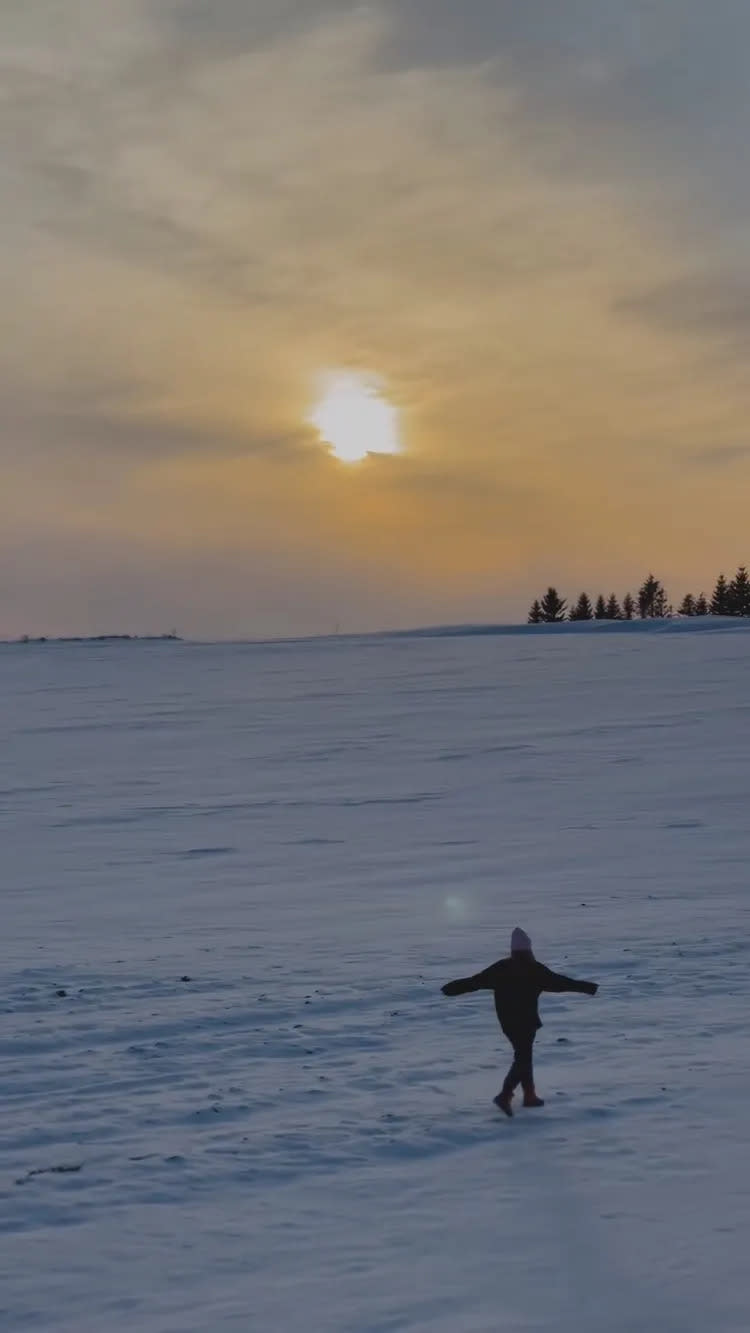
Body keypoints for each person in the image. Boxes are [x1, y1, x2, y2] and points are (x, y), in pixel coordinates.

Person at [441, 927, 598, 1116]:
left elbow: (475, 982)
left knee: (524, 1056)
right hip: (526, 1021)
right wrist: (586, 987)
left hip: (507, 1021)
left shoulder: (501, 967)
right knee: (522, 1058)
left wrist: (451, 988)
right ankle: (505, 1095)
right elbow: (560, 982)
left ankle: (529, 1095)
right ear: (529, 949)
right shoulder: (534, 969)